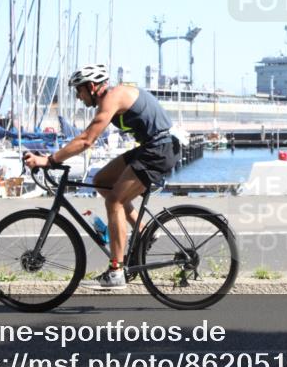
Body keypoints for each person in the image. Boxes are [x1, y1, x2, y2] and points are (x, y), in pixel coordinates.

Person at [24, 63, 180, 289]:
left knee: (114, 201)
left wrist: (50, 160)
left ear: (92, 86)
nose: (78, 97)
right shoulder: (113, 97)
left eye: (79, 90)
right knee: (101, 181)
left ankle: (116, 272)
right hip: (153, 147)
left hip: (158, 150)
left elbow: (87, 139)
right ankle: (143, 231)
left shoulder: (112, 97)